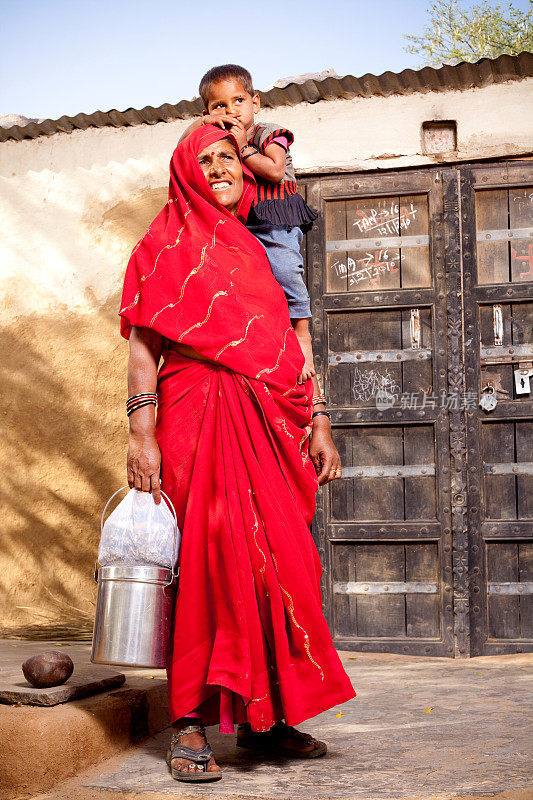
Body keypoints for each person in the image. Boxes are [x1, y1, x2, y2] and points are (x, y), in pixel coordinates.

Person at [120, 125, 355, 784]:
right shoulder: (161, 247)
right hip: (197, 415)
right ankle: (189, 720)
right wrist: (141, 434)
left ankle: (266, 718)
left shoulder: (256, 251)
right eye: (206, 159)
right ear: (184, 172)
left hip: (270, 422)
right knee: (205, 564)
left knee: (279, 562)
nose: (220, 166)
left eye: (229, 156)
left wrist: (318, 418)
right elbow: (143, 346)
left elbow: (286, 342)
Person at [181, 64, 317, 385]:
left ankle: (303, 334)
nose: (231, 111)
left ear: (255, 103)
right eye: (219, 106)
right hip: (244, 223)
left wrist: (242, 148)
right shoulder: (219, 136)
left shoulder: (266, 132)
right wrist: (202, 124)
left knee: (285, 269)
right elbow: (182, 150)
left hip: (276, 218)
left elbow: (273, 170)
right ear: (208, 111)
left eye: (238, 101)